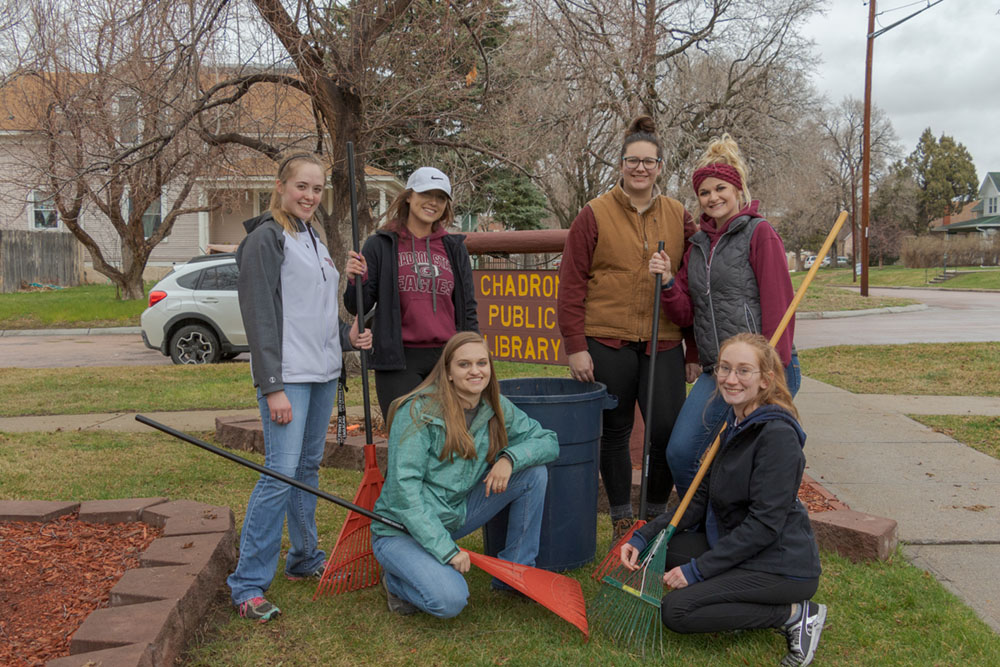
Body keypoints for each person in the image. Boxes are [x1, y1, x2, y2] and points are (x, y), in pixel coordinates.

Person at [228, 152, 373, 622]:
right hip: (288, 377)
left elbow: (312, 312)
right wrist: (272, 387)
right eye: (301, 187)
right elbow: (260, 317)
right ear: (280, 186)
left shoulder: (312, 237)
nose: (310, 196)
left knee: (307, 469)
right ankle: (248, 585)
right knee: (280, 473)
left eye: (316, 189)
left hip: (323, 373)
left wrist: (347, 337)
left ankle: (304, 559)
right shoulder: (266, 239)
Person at [621, 333, 825, 666]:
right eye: (725, 369)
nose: (731, 379)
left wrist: (698, 571)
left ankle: (794, 614)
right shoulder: (735, 423)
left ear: (765, 380)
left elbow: (764, 526)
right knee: (663, 550)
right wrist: (644, 536)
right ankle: (726, 584)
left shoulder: (777, 437)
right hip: (739, 545)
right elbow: (699, 500)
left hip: (781, 566)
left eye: (744, 371)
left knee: (678, 610)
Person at [558, 115, 696, 538]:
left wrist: (694, 348)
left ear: (659, 167)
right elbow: (572, 283)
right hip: (607, 341)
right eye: (632, 160)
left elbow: (693, 284)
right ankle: (621, 518)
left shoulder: (678, 216)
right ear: (620, 164)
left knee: (667, 433)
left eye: (649, 161)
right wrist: (576, 345)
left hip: (665, 343)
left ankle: (653, 516)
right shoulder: (594, 214)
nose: (640, 168)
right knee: (614, 431)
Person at [648, 133, 800, 500]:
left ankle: (742, 536)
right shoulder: (697, 246)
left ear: (738, 190)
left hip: (764, 370)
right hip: (719, 371)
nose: (713, 197)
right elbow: (687, 311)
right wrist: (668, 281)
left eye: (721, 189)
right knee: (682, 452)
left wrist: (769, 373)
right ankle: (705, 528)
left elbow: (781, 306)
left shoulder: (759, 234)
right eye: (704, 192)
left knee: (751, 462)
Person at [371, 331, 559, 618]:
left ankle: (514, 574)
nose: (475, 371)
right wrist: (447, 551)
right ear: (447, 372)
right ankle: (396, 582)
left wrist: (509, 458)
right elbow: (403, 494)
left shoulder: (494, 407)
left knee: (532, 473)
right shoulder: (418, 412)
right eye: (464, 364)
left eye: (482, 363)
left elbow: (548, 441)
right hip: (402, 530)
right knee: (449, 601)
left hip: (454, 513)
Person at [345, 166, 478, 420]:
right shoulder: (381, 244)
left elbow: (467, 307)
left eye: (441, 197)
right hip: (398, 359)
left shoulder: (453, 248)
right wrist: (355, 280)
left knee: (449, 438)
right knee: (406, 438)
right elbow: (357, 306)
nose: (433, 202)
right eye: (426, 193)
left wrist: (472, 352)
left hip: (446, 358)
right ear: (409, 196)